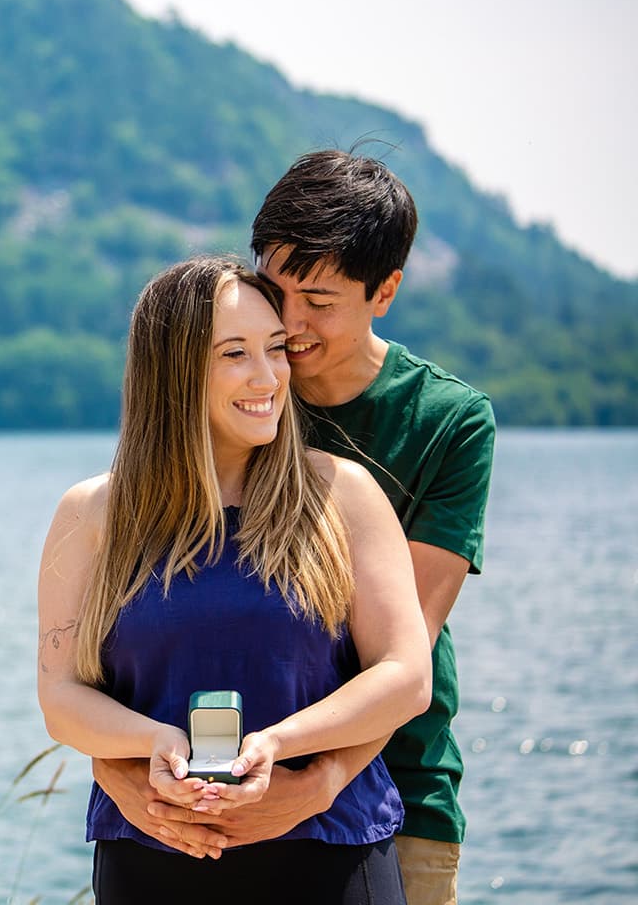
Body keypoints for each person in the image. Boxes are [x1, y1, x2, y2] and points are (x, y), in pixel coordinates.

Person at [92, 151, 497, 905]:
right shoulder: (240, 385)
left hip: (392, 796)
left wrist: (319, 786)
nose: (289, 323)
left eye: (318, 300)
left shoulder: (446, 422)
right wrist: (120, 775)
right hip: (202, 802)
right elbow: (139, 635)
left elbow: (400, 656)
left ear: (385, 293)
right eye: (274, 289)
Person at [36, 256, 432, 903]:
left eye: (275, 349)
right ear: (175, 372)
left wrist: (280, 748)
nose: (268, 375)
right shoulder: (92, 515)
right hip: (150, 859)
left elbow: (407, 677)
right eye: (235, 354)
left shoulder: (343, 495)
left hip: (332, 855)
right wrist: (153, 744)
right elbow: (61, 698)